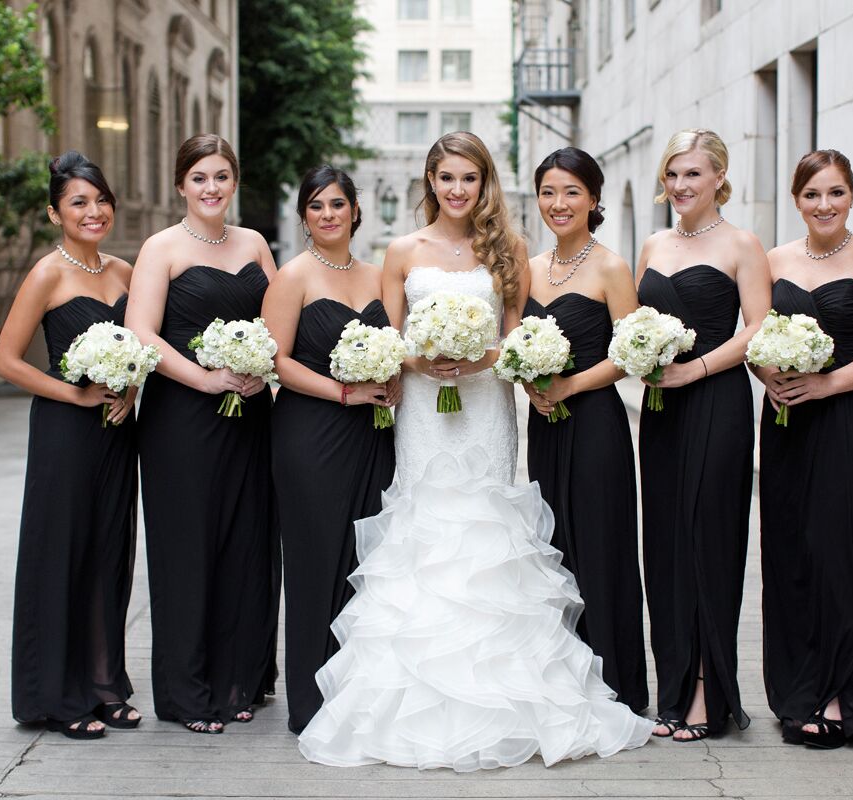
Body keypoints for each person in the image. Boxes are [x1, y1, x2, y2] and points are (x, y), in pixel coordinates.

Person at [297, 132, 653, 770]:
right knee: (427, 526)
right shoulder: (401, 251)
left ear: (483, 182)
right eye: (446, 178)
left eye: (469, 178)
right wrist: (424, 356)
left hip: (486, 407)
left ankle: (510, 699)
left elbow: (516, 340)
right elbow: (387, 340)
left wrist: (480, 356)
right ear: (429, 182)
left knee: (488, 530)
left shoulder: (509, 248)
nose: (457, 189)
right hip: (425, 414)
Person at [125, 134, 279, 734]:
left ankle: (239, 678)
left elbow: (277, 318)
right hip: (182, 421)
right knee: (188, 549)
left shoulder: (254, 243)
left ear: (233, 182)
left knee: (246, 545)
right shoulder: (161, 248)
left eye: (220, 177)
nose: (210, 188)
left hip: (252, 415)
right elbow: (141, 330)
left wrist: (259, 367)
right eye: (199, 178)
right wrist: (206, 379)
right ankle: (188, 693)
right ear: (180, 185)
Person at [757, 149, 853, 749]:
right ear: (796, 199)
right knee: (794, 553)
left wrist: (825, 384)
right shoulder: (772, 262)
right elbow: (755, 340)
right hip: (788, 425)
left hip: (849, 421)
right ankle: (802, 692)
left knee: (844, 551)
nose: (825, 205)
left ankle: (848, 693)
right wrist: (768, 377)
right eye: (813, 194)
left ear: (852, 195)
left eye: (836, 193)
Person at [635, 129, 771, 742]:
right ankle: (672, 685)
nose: (681, 186)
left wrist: (697, 367)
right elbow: (637, 322)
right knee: (663, 545)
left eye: (693, 174)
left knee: (706, 540)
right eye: (672, 175)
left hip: (717, 402)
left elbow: (757, 331)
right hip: (662, 410)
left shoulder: (742, 245)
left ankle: (706, 691)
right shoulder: (652, 244)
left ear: (719, 177)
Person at [0, 151, 139, 739]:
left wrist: (132, 385)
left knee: (109, 555)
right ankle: (57, 696)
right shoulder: (47, 274)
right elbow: (4, 360)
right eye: (79, 202)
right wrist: (72, 394)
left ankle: (104, 684)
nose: (94, 211)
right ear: (54, 212)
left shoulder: (125, 272)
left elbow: (144, 345)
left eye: (101, 199)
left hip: (118, 432)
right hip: (65, 432)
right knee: (63, 554)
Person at [263, 165, 400, 734]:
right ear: (304, 217)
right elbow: (277, 361)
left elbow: (399, 346)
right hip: (310, 435)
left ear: (355, 211)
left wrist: (390, 382)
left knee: (367, 563)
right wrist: (345, 392)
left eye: (337, 204)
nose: (327, 215)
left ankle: (359, 692)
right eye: (316, 206)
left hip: (372, 436)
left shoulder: (379, 275)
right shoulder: (292, 277)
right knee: (317, 561)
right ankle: (311, 699)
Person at [523, 146, 648, 712]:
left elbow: (630, 354)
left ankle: (615, 684)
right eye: (548, 192)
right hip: (545, 427)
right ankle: (564, 680)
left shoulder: (612, 267)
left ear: (594, 199)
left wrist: (571, 386)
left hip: (595, 422)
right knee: (554, 548)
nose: (559, 203)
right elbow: (515, 347)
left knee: (601, 547)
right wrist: (528, 381)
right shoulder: (529, 269)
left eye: (571, 191)